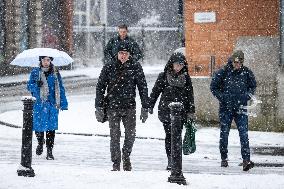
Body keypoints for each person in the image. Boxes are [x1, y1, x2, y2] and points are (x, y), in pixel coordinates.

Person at [95, 42, 149, 171]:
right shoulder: (109, 66)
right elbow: (100, 87)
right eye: (120, 53)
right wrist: (99, 106)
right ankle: (115, 162)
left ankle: (126, 155)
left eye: (125, 53)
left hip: (129, 106)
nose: (123, 56)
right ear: (117, 54)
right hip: (113, 106)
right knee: (114, 135)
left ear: (129, 54)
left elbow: (143, 87)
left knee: (131, 135)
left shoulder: (135, 66)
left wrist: (145, 107)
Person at [210, 50, 257, 171]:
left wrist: (247, 96)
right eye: (236, 62)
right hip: (226, 108)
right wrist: (223, 97)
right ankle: (224, 158)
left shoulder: (246, 72)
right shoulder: (224, 72)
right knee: (224, 133)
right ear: (232, 61)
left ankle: (246, 160)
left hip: (241, 108)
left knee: (244, 134)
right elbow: (213, 87)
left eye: (240, 62)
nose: (238, 65)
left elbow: (253, 86)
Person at [148, 52, 195, 170]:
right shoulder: (163, 76)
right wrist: (150, 105)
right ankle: (170, 159)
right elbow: (155, 92)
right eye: (176, 64)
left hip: (181, 112)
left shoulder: (186, 78)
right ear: (171, 64)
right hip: (166, 110)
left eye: (181, 65)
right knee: (169, 135)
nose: (178, 67)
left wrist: (191, 111)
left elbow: (190, 95)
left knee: (177, 136)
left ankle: (176, 159)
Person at [27, 56, 68, 160]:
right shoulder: (35, 72)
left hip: (52, 105)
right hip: (39, 104)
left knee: (51, 128)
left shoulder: (55, 72)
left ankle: (49, 151)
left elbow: (61, 88)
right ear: (41, 61)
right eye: (44, 60)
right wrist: (36, 85)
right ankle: (40, 143)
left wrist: (63, 103)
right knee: (39, 127)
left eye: (48, 60)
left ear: (50, 61)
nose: (46, 62)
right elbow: (29, 86)